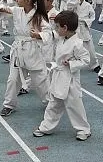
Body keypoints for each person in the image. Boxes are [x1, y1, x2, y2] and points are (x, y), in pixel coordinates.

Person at [31, 11, 92, 141]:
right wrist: (40, 34)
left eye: (58, 27)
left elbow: (86, 60)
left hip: (70, 79)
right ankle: (46, 127)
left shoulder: (78, 43)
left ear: (65, 28)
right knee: (53, 103)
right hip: (58, 76)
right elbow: (51, 35)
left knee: (75, 105)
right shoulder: (61, 37)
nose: (56, 29)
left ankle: (83, 129)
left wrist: (71, 63)